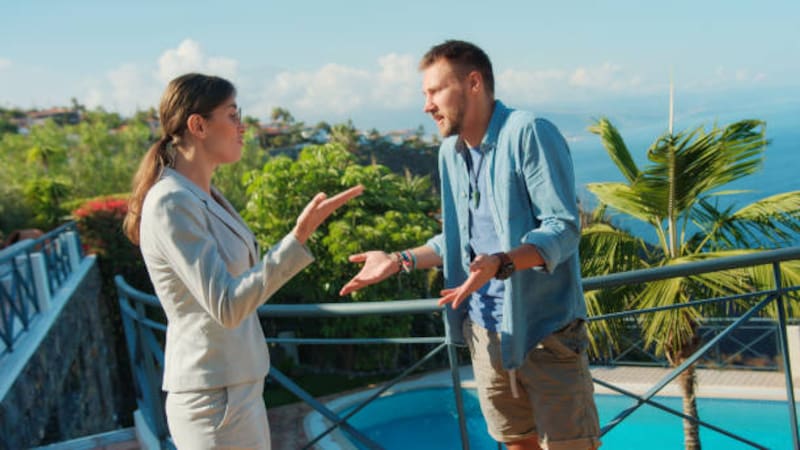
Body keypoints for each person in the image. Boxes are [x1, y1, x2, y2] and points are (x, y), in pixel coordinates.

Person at [340, 41, 600, 450]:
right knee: (516, 443)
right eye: (424, 94)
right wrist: (398, 260)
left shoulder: (528, 132)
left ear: (473, 83)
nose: (427, 105)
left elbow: (563, 228)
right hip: (484, 332)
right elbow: (457, 241)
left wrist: (502, 262)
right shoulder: (450, 152)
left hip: (544, 331)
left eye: (435, 91)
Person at [123, 73, 362, 449]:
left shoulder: (206, 194)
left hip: (236, 389)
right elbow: (227, 305)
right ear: (198, 125)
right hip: (214, 400)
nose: (242, 127)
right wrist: (297, 239)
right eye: (232, 115)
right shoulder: (172, 202)